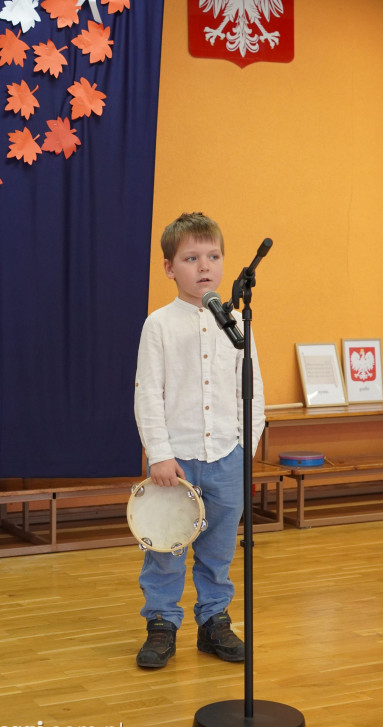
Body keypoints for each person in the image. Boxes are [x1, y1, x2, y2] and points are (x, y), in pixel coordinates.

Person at [134, 212, 265, 668]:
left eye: (212, 256)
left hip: (227, 458)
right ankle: (162, 624)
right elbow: (148, 394)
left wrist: (244, 451)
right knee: (167, 548)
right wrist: (160, 455)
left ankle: (214, 623)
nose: (204, 266)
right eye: (191, 258)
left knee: (219, 549)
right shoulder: (160, 325)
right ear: (170, 268)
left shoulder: (237, 325)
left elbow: (252, 392)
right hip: (178, 463)